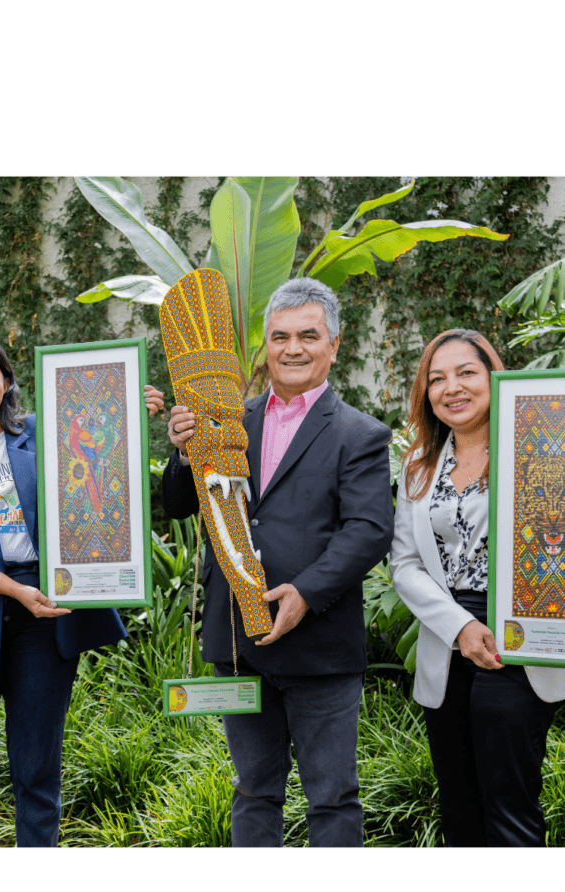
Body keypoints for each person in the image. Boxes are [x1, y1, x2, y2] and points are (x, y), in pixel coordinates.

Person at [162, 278, 394, 846]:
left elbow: (367, 531)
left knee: (332, 797)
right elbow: (175, 504)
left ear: (333, 345)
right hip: (239, 643)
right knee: (253, 790)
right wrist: (180, 451)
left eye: (308, 336)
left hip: (319, 646)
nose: (293, 349)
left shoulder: (359, 434)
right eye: (280, 336)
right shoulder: (226, 418)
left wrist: (306, 592)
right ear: (265, 345)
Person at [0, 334, 164, 847]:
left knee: (38, 773)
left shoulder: (43, 435)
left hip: (45, 618)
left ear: (6, 382)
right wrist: (13, 590)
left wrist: (127, 410)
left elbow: (100, 451)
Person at [390, 328, 565, 846]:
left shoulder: (543, 451)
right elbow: (404, 564)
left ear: (493, 375)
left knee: (509, 804)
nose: (452, 387)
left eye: (466, 372)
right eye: (437, 378)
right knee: (459, 806)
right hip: (447, 638)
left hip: (519, 633)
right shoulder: (418, 467)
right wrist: (460, 626)